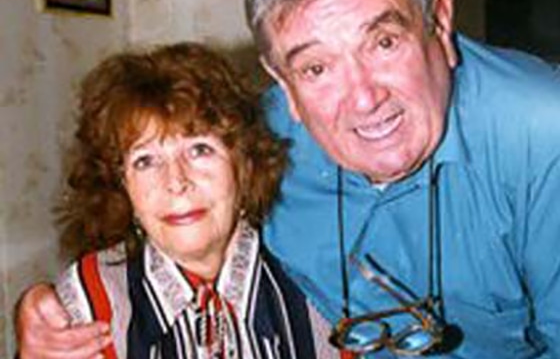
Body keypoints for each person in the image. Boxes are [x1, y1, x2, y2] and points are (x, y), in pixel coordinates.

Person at [15, 0, 560, 357]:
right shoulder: (252, 146)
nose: (364, 98)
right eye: (317, 68)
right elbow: (168, 227)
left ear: (439, 24)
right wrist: (49, 318)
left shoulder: (540, 128)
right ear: (283, 83)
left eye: (383, 42)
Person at [24, 42, 334, 358]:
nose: (175, 182)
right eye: (145, 161)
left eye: (199, 150)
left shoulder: (318, 278)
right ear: (121, 185)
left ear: (243, 164)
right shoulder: (91, 299)